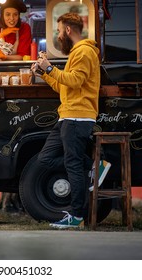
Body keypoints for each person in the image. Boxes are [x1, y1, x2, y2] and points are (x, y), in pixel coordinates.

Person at [31, 12, 109, 229]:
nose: (57, 35)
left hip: (78, 116)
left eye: (58, 30)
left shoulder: (84, 52)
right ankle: (95, 166)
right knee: (45, 159)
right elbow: (64, 85)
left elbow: (75, 81)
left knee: (72, 166)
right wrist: (44, 73)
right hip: (67, 115)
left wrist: (49, 67)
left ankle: (76, 216)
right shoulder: (77, 52)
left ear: (67, 30)